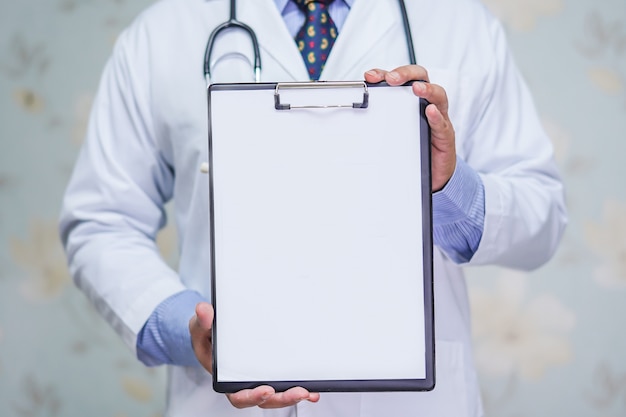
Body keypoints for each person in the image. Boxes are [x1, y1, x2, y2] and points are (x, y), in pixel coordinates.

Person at [59, 0, 568, 416]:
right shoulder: (162, 33)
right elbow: (103, 220)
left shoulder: (462, 24)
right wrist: (184, 327)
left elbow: (541, 214)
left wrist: (449, 186)